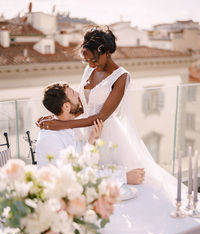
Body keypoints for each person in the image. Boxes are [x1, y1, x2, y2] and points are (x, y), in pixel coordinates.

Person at [37, 27, 178, 192]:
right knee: (87, 179)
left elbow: (102, 116)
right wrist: (56, 117)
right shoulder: (89, 69)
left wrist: (62, 125)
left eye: (94, 60)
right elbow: (81, 105)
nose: (90, 64)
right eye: (87, 60)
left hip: (105, 131)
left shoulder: (121, 77)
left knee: (117, 185)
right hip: (83, 130)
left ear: (105, 53)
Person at [36, 81, 145, 185]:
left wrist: (92, 140)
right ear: (66, 106)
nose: (78, 94)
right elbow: (77, 177)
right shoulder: (50, 138)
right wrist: (124, 177)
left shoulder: (71, 126)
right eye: (74, 94)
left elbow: (82, 163)